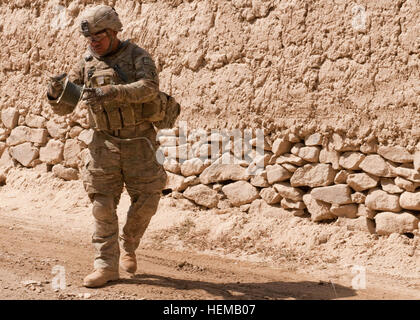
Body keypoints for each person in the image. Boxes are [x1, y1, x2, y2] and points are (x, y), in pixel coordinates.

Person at [46, 5, 167, 288]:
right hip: (103, 144)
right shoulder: (87, 61)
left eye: (98, 38)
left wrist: (114, 91)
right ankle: (105, 266)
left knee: (148, 200)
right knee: (101, 206)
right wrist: (55, 92)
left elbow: (150, 87)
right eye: (89, 40)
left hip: (139, 142)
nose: (93, 44)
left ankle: (130, 241)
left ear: (113, 32)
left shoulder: (137, 56)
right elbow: (67, 105)